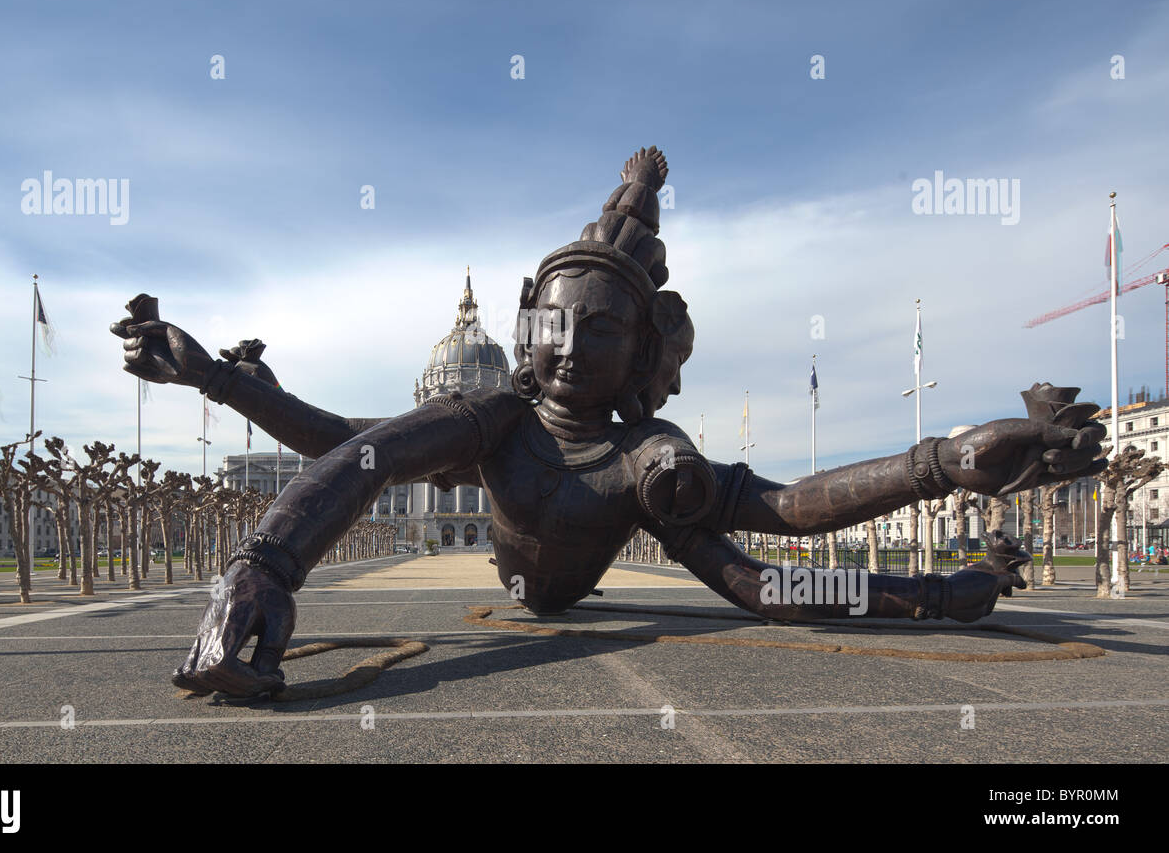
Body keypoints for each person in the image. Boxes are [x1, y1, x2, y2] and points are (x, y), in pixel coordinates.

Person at [112, 146, 1108, 697]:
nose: (571, 346)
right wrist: (259, 540)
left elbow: (792, 516)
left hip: (563, 573)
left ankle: (961, 589)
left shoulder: (646, 458)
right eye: (555, 322)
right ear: (522, 327)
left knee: (767, 591)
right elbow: (358, 447)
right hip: (521, 564)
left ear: (641, 353)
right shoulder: (491, 414)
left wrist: (947, 461)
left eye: (602, 330)